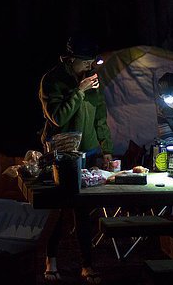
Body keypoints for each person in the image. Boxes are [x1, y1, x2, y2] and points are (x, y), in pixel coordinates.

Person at [38, 32, 113, 283]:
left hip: (89, 151)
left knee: (83, 212)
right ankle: (51, 261)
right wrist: (79, 91)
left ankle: (87, 264)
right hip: (61, 153)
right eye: (85, 62)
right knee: (58, 211)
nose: (90, 67)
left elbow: (100, 115)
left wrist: (106, 148)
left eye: (92, 62)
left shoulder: (91, 80)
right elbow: (58, 117)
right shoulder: (53, 80)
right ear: (70, 59)